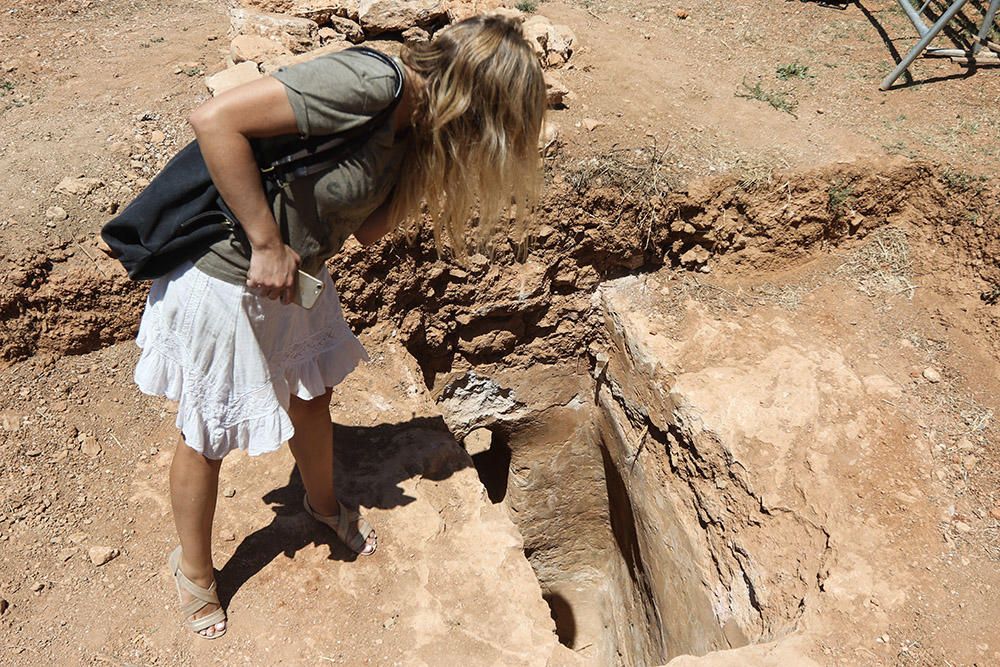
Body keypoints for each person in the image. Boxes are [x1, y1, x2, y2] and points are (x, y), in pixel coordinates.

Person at [133, 14, 546, 639]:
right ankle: (193, 571)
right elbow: (213, 120)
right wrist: (267, 242)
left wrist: (425, 170)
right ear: (478, 101)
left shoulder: (416, 126)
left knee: (313, 394)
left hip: (298, 274)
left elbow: (370, 226)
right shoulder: (369, 82)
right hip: (231, 275)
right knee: (207, 429)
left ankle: (321, 505)